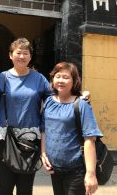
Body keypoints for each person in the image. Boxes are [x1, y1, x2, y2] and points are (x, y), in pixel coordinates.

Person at [0, 37, 53, 195]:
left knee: (25, 188)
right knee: (4, 186)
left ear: (30, 56)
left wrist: (80, 96)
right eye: (18, 52)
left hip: (30, 140)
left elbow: (56, 100)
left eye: (25, 53)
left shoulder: (39, 79)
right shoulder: (2, 78)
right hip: (4, 138)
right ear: (10, 55)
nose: (22, 56)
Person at [41, 62, 102, 195]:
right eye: (58, 76)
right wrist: (43, 153)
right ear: (52, 79)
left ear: (74, 81)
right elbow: (45, 129)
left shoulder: (81, 104)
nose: (61, 80)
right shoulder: (49, 102)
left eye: (66, 77)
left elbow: (89, 139)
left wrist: (91, 174)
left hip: (76, 169)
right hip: (55, 168)